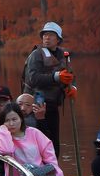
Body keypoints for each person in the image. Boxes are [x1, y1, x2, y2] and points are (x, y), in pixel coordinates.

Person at [22, 21, 75, 155]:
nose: (47, 38)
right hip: (36, 105)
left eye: (51, 35)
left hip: (53, 105)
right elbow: (33, 79)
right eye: (45, 35)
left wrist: (71, 87)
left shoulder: (64, 55)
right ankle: (38, 172)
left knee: (54, 143)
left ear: (58, 39)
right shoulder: (36, 55)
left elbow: (69, 75)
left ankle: (54, 171)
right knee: (39, 141)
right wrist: (56, 77)